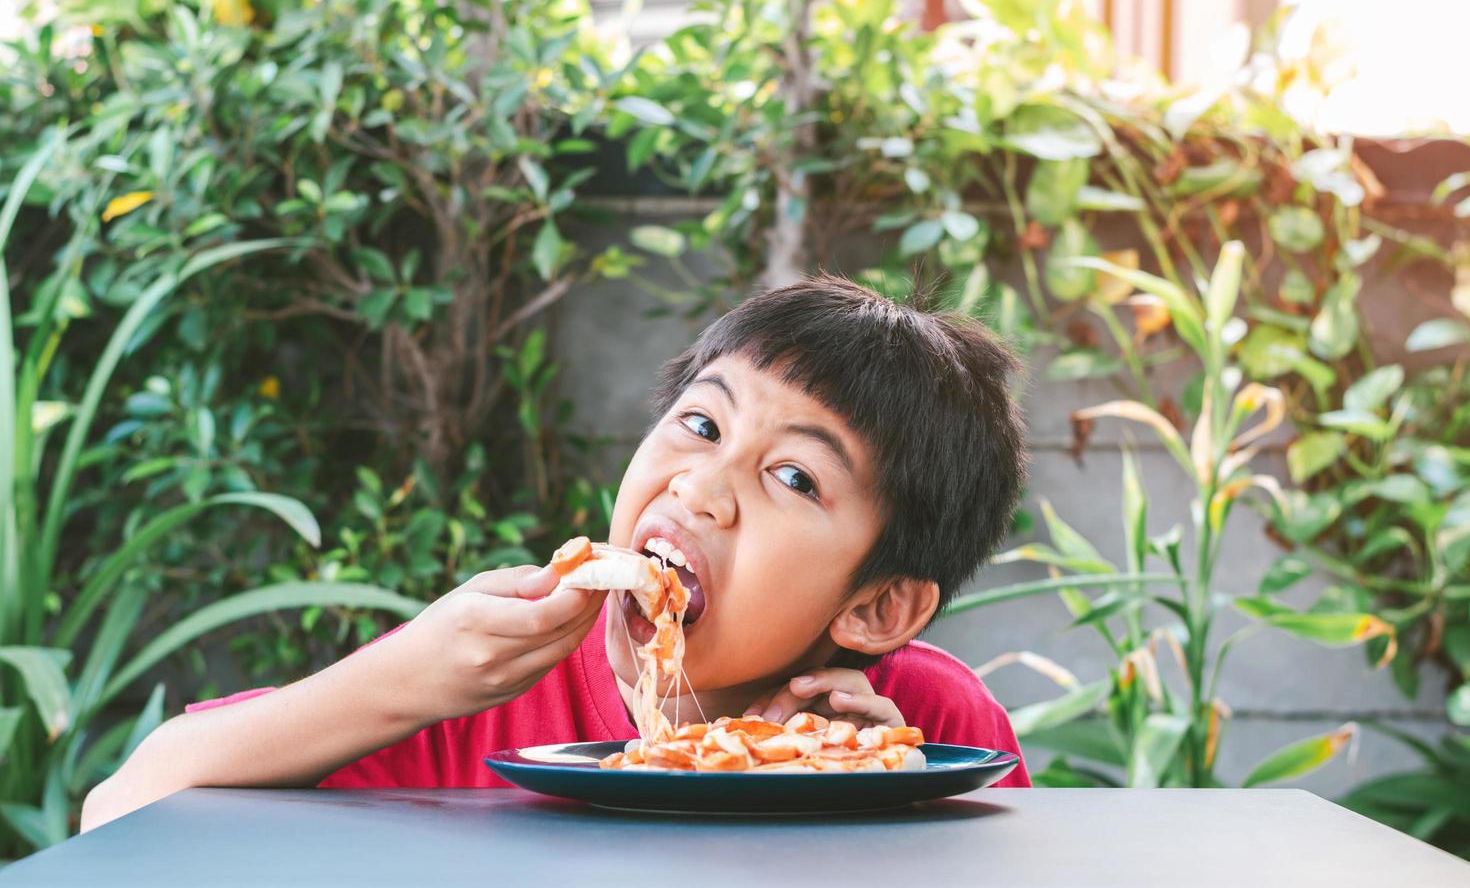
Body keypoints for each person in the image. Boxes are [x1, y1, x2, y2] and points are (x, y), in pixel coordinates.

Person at [82, 275, 1031, 828]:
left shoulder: (923, 731)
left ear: (876, 608)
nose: (699, 487)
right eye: (700, 423)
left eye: (792, 479)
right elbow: (120, 814)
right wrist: (409, 678)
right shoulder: (474, 689)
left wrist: (881, 818)